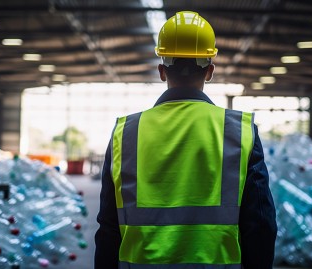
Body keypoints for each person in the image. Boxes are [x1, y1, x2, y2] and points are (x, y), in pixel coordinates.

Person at [95, 11, 277, 269]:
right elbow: (260, 225)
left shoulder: (126, 132)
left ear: (161, 71)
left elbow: (108, 228)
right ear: (210, 71)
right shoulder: (240, 130)